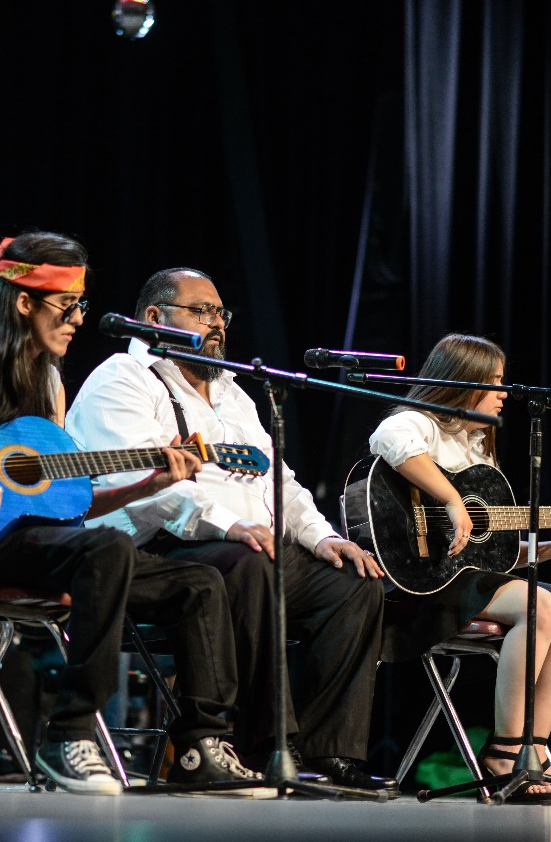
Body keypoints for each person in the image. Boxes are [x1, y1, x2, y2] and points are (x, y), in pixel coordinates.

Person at [0, 230, 269, 797]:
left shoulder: (48, 381)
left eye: (81, 306)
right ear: (25, 302)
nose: (77, 320)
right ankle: (69, 736)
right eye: (67, 305)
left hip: (36, 542)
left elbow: (68, 500)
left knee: (199, 582)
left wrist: (147, 484)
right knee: (107, 548)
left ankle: (200, 746)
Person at [65, 267, 397, 794]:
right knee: (247, 565)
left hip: (251, 549)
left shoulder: (231, 390)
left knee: (354, 583)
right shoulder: (122, 379)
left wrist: (322, 537)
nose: (217, 323)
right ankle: (263, 746)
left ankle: (329, 750)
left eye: (221, 312)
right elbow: (137, 483)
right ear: (154, 317)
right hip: (158, 553)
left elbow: (279, 479)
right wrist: (230, 524)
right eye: (201, 311)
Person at [367, 332, 551, 804]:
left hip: (468, 578)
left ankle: (533, 748)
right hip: (422, 583)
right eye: (493, 381)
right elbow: (387, 438)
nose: (503, 393)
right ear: (463, 381)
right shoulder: (419, 422)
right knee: (537, 604)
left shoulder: (478, 447)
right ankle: (504, 752)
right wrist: (451, 499)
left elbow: (491, 552)